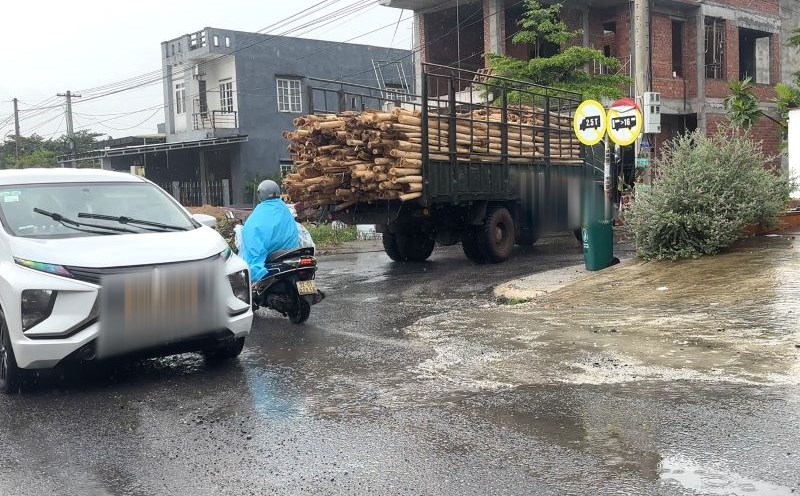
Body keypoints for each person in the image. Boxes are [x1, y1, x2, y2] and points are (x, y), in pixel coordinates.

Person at [241, 180, 299, 283]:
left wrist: (255, 265)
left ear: (260, 194)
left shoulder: (260, 212)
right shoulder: (284, 208)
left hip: (272, 256)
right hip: (291, 253)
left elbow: (252, 238)